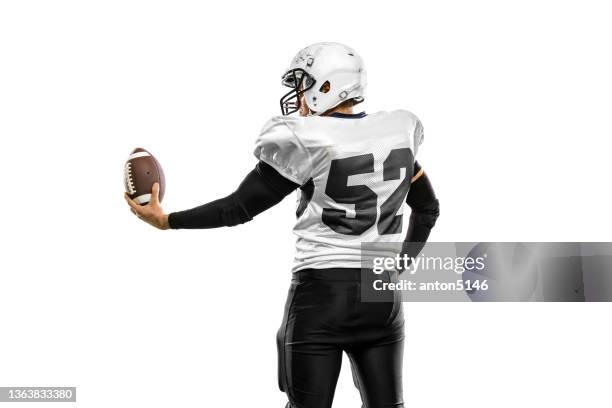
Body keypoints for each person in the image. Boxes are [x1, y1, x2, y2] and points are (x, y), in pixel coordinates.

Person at [125, 42, 439, 408]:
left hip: (322, 296)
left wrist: (167, 220)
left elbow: (237, 208)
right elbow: (428, 209)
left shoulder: (309, 141)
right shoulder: (395, 131)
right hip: (382, 296)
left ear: (327, 86)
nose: (297, 96)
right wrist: (398, 267)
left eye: (304, 84)